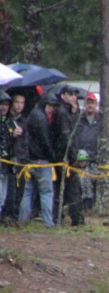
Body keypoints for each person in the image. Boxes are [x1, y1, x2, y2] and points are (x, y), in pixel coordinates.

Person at [19, 92, 59, 228]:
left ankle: (23, 220)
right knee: (46, 192)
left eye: (54, 106)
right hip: (42, 161)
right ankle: (48, 222)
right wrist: (52, 156)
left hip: (29, 160)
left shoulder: (31, 115)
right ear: (44, 104)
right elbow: (46, 140)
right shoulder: (42, 118)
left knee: (27, 191)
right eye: (50, 105)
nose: (52, 109)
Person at [51, 84, 83, 226]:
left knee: (66, 189)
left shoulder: (67, 112)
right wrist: (74, 158)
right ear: (63, 95)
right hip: (64, 158)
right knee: (71, 189)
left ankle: (62, 218)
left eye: (75, 95)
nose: (74, 97)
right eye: (71, 95)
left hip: (64, 156)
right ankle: (74, 219)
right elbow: (66, 138)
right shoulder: (62, 112)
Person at [1, 93, 29, 224]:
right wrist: (12, 134)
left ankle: (13, 217)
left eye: (22, 103)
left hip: (18, 160)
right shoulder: (6, 120)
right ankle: (6, 216)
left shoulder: (24, 120)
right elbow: (4, 141)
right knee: (7, 193)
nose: (19, 105)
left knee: (17, 192)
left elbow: (26, 143)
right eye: (17, 102)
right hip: (7, 161)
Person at [75, 92, 100, 214]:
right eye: (88, 103)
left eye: (92, 103)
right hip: (82, 159)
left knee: (96, 183)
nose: (90, 105)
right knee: (85, 184)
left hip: (96, 158)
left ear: (96, 105)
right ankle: (86, 208)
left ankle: (95, 206)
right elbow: (75, 140)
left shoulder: (101, 121)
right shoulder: (78, 120)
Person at [0, 91, 11, 216]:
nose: (4, 107)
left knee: (2, 195)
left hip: (5, 164)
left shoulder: (7, 121)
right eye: (1, 104)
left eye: (7, 104)